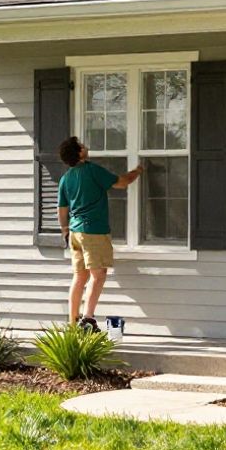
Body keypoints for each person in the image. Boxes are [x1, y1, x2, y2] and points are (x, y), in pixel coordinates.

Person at [56, 136, 142, 330]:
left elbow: (62, 209)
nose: (85, 146)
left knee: (80, 277)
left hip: (75, 232)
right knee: (99, 274)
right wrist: (138, 170)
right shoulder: (92, 170)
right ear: (79, 153)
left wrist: (65, 230)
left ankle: (73, 323)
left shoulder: (65, 179)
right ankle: (88, 319)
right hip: (93, 231)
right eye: (82, 145)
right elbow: (122, 182)